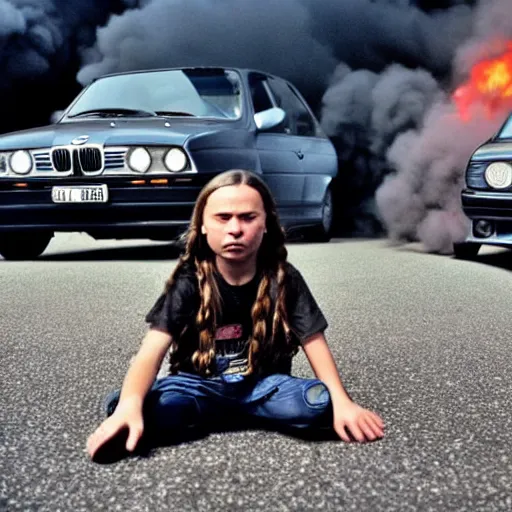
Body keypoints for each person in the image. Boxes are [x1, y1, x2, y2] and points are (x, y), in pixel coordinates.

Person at [86, 169, 384, 462]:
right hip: (198, 386)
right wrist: (129, 403)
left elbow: (314, 342)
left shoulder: (284, 278)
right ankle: (131, 408)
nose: (235, 229)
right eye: (223, 217)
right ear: (202, 225)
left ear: (266, 223)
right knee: (148, 405)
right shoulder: (189, 281)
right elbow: (151, 351)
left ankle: (222, 414)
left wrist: (343, 402)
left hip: (263, 387)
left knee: (318, 402)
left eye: (247, 217)